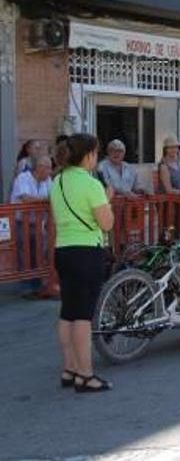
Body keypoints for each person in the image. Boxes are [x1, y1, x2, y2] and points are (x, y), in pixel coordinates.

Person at [49, 133, 114, 392]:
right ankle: (85, 375)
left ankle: (70, 369)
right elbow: (106, 223)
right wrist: (107, 199)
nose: (96, 159)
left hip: (63, 250)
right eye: (96, 153)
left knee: (68, 312)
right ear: (87, 155)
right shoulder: (91, 185)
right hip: (86, 252)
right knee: (83, 316)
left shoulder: (58, 181)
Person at [12, 155, 53, 273]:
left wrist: (45, 199)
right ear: (40, 168)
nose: (50, 171)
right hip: (21, 223)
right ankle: (25, 284)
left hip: (39, 223)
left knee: (40, 253)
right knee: (24, 253)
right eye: (49, 168)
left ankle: (37, 282)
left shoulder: (48, 180)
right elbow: (26, 198)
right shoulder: (23, 177)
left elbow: (53, 197)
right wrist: (46, 199)